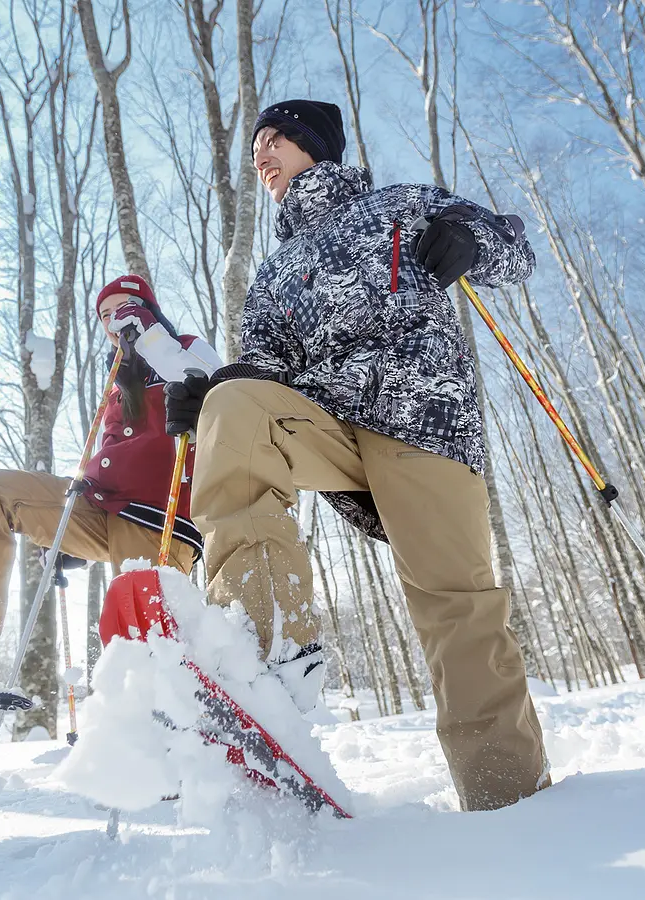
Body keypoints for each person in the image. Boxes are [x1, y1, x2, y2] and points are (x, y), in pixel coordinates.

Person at [164, 99, 550, 811]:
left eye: (275, 138)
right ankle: (265, 641)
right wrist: (213, 395)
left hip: (419, 415)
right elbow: (262, 375)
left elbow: (514, 253)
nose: (262, 154)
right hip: (329, 428)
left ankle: (512, 808)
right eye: (256, 146)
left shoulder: (398, 204)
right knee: (235, 408)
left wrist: (470, 237)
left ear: (314, 145)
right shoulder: (274, 274)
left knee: (456, 608)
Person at [0, 274, 223, 734]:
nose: (116, 320)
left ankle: (169, 738)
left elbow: (217, 393)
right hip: (101, 505)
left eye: (125, 307)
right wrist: (70, 539)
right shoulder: (119, 381)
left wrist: (151, 335)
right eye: (106, 316)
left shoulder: (183, 346)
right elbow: (111, 457)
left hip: (161, 515)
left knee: (145, 630)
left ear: (148, 308)